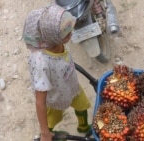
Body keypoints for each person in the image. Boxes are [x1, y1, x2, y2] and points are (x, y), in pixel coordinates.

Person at [23, 4, 91, 141]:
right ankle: (49, 134)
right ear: (53, 37)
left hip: (72, 86)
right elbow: (40, 102)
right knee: (52, 119)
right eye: (67, 33)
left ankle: (84, 127)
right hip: (55, 97)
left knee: (82, 105)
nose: (71, 34)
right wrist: (44, 132)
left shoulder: (56, 41)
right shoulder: (41, 63)